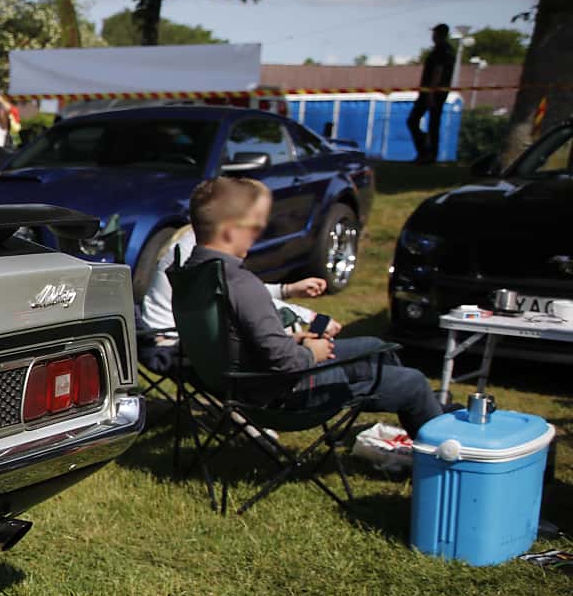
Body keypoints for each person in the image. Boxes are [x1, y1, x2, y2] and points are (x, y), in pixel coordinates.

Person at [179, 176, 444, 433]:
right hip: (288, 396)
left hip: (243, 387)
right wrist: (310, 354)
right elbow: (284, 363)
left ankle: (425, 413)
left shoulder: (194, 275)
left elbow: (235, 342)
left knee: (374, 349)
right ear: (229, 231)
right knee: (415, 382)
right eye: (254, 228)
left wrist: (295, 342)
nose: (258, 234)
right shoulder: (241, 284)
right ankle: (441, 447)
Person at [139, 218, 336, 372]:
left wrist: (288, 290)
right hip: (174, 342)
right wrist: (308, 319)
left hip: (171, 334)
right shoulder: (205, 255)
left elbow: (235, 292)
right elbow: (242, 298)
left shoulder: (191, 245)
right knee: (267, 337)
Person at [406, 23, 455, 164]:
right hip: (437, 92)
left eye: (434, 34)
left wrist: (431, 94)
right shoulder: (448, 50)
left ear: (438, 34)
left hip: (432, 92)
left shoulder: (441, 50)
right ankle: (429, 152)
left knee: (414, 120)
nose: (432, 36)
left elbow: (437, 72)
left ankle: (426, 152)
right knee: (433, 123)